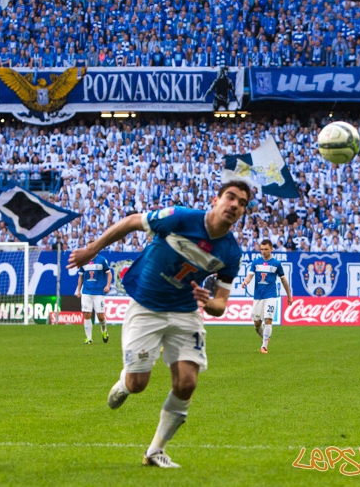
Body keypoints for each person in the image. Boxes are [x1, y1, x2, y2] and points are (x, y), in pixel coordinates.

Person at [67, 180, 251, 468]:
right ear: (216, 199)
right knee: (138, 383)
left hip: (185, 312)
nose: (235, 205)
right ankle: (125, 383)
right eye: (231, 197)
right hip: (147, 306)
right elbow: (130, 222)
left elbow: (220, 304)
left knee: (187, 383)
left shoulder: (231, 253)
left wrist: (207, 300)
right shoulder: (180, 217)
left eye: (242, 203)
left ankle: (155, 451)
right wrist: (91, 250)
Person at [240, 239, 293, 354]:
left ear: (271, 249)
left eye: (266, 249)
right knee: (257, 323)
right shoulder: (256, 262)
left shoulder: (276, 264)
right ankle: (265, 337)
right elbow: (249, 276)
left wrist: (289, 296)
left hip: (271, 295)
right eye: (262, 249)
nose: (263, 252)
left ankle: (264, 347)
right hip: (258, 296)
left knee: (268, 319)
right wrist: (245, 282)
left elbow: (284, 281)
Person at [75, 249, 112, 344]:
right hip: (86, 291)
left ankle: (104, 331)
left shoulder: (102, 260)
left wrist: (107, 286)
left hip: (99, 291)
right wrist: (78, 290)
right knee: (87, 314)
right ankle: (89, 338)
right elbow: (81, 276)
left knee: (100, 316)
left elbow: (109, 273)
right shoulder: (84, 260)